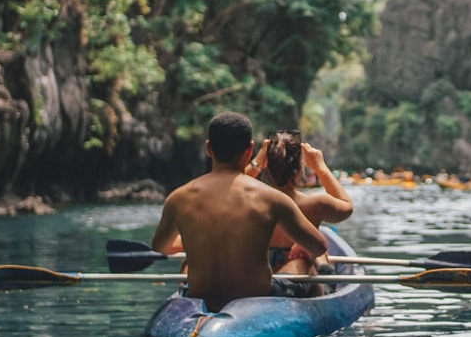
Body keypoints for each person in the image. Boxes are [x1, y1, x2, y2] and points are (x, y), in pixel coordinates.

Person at [151, 111, 328, 312]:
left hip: (202, 298)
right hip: (258, 298)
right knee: (304, 264)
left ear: (209, 148)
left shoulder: (178, 198)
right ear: (250, 149)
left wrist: (192, 240)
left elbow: (160, 246)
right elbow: (319, 246)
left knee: (187, 262)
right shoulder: (271, 198)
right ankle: (314, 316)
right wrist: (301, 250)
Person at [246, 130, 354, 277]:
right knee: (315, 260)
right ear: (298, 170)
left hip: (263, 277)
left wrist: (256, 163)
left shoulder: (250, 201)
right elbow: (346, 206)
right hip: (301, 282)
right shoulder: (315, 203)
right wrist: (321, 168)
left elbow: (232, 187)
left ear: (267, 167)